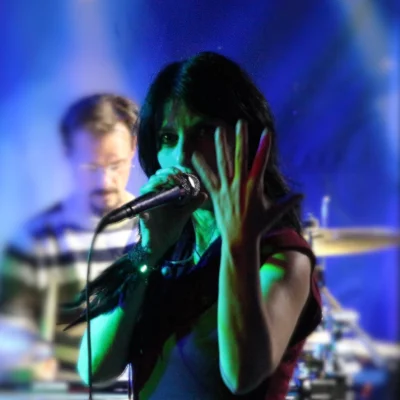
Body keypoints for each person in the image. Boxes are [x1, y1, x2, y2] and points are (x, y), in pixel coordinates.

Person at [70, 52, 322, 399]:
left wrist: (237, 242)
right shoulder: (166, 246)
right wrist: (148, 251)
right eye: (168, 138)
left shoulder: (282, 255)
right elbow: (94, 368)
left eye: (203, 131)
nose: (182, 156)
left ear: (245, 138)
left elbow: (242, 375)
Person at [0, 93, 140, 382]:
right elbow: (8, 331)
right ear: (68, 155)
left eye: (115, 165)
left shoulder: (157, 227)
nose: (105, 181)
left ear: (134, 148)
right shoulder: (36, 239)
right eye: (90, 168)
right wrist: (25, 360)